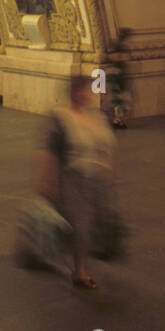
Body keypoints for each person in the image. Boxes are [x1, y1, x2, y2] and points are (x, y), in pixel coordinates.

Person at [40, 74, 118, 290]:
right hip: (73, 179)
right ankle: (80, 272)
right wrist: (48, 181)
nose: (86, 95)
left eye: (88, 90)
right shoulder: (61, 117)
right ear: (73, 93)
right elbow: (51, 151)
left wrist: (109, 171)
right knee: (81, 225)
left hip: (96, 178)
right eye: (82, 90)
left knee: (93, 222)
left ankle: (71, 253)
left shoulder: (98, 117)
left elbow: (107, 145)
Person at [106, 27, 133, 129]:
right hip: (116, 76)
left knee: (118, 99)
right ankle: (117, 121)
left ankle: (117, 120)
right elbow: (118, 58)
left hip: (116, 75)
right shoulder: (119, 46)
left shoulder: (116, 45)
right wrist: (122, 57)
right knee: (118, 99)